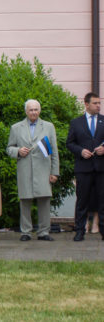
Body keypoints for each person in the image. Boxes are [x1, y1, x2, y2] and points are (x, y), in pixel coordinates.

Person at [7, 99, 59, 241]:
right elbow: (9, 148)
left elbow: (54, 151)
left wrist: (55, 172)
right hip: (25, 170)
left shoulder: (49, 127)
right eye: (31, 110)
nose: (34, 112)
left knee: (44, 201)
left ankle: (43, 232)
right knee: (25, 201)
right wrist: (18, 151)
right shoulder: (16, 127)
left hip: (43, 169)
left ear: (40, 110)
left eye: (36, 109)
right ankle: (26, 232)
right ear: (26, 111)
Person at [66, 92, 104, 242]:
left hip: (101, 168)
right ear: (86, 104)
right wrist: (80, 151)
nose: (98, 106)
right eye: (95, 103)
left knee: (102, 201)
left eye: (99, 103)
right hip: (83, 168)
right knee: (82, 200)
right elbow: (69, 143)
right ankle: (80, 230)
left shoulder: (103, 120)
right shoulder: (76, 123)